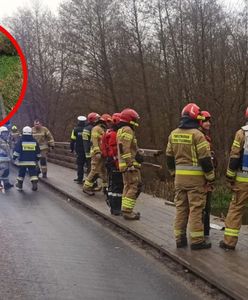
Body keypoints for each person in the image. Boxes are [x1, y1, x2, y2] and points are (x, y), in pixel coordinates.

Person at [166, 103, 215, 250]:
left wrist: (173, 173)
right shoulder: (198, 135)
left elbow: (169, 157)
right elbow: (205, 160)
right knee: (196, 209)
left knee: (181, 208)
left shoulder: (173, 134)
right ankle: (197, 241)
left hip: (179, 179)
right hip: (195, 180)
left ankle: (180, 239)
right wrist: (210, 177)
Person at [219, 107, 248, 250]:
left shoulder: (241, 133)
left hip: (242, 180)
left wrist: (230, 176)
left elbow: (235, 156)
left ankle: (229, 242)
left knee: (236, 209)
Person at [117, 108, 142, 220]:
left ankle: (125, 209)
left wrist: (138, 151)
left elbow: (125, 147)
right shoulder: (128, 130)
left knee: (127, 186)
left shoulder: (121, 130)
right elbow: (125, 148)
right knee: (134, 186)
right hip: (129, 165)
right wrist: (130, 163)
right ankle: (127, 211)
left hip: (123, 164)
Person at [83, 114, 112, 196]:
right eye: (108, 122)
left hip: (102, 154)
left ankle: (105, 188)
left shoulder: (102, 129)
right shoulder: (96, 129)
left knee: (103, 171)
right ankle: (86, 187)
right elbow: (94, 141)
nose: (109, 124)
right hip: (97, 154)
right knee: (94, 170)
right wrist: (97, 152)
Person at [101, 113, 123, 215]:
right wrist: (118, 163)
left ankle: (111, 202)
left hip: (109, 161)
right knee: (117, 186)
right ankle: (116, 208)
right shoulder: (114, 135)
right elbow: (115, 151)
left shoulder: (108, 133)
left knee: (112, 183)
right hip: (114, 162)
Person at [200, 111, 216, 237]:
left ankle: (204, 231)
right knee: (204, 207)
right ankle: (203, 233)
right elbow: (205, 159)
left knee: (205, 207)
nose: (208, 124)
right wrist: (210, 177)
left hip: (204, 176)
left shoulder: (205, 137)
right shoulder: (201, 137)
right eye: (205, 121)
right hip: (203, 178)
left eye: (209, 121)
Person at [13, 126, 41, 191]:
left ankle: (19, 185)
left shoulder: (21, 141)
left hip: (22, 162)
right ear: (31, 133)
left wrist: (14, 157)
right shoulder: (34, 141)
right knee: (33, 173)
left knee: (21, 174)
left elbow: (17, 151)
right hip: (32, 161)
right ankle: (34, 184)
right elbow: (38, 151)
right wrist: (37, 158)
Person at [70, 116, 87, 184]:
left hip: (79, 150)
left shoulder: (75, 129)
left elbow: (72, 140)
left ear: (78, 121)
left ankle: (80, 179)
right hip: (87, 149)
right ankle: (89, 180)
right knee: (88, 165)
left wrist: (72, 149)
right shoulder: (87, 129)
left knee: (80, 165)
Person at [0, 126, 13, 191]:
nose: (5, 134)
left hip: (6, 159)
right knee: (2, 172)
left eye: (6, 133)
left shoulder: (6, 141)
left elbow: (9, 150)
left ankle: (6, 184)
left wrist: (11, 158)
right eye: (3, 133)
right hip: (1, 159)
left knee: (6, 172)